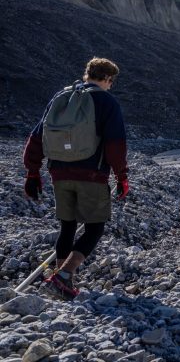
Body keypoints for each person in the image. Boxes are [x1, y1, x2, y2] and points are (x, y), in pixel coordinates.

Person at [23, 57, 128, 301]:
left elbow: (37, 136)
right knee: (94, 227)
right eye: (111, 82)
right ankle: (64, 276)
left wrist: (32, 172)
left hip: (58, 173)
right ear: (107, 79)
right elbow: (115, 145)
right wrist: (122, 176)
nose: (110, 86)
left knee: (67, 226)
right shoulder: (106, 101)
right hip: (91, 174)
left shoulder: (62, 96)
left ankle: (61, 280)